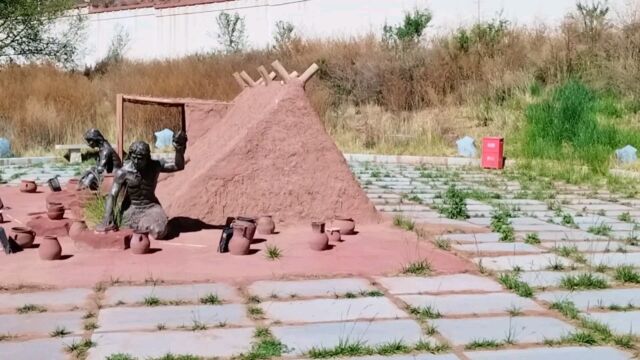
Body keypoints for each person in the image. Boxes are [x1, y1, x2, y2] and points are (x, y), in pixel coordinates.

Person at [96, 131, 187, 239]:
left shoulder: (155, 166)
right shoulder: (123, 172)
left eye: (140, 158)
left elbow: (178, 166)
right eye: (134, 157)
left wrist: (179, 149)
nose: (136, 161)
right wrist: (107, 216)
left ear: (147, 157)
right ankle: (148, 225)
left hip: (151, 207)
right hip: (131, 209)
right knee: (126, 230)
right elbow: (112, 195)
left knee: (159, 232)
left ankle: (158, 223)